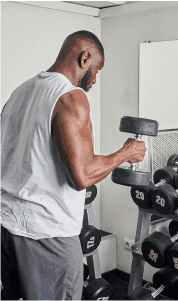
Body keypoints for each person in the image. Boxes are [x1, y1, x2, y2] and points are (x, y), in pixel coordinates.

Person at [0, 30, 146, 300]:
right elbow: (82, 175)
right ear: (85, 57)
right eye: (97, 69)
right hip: (47, 235)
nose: (94, 79)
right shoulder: (70, 97)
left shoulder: (19, 92)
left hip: (8, 227)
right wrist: (125, 153)